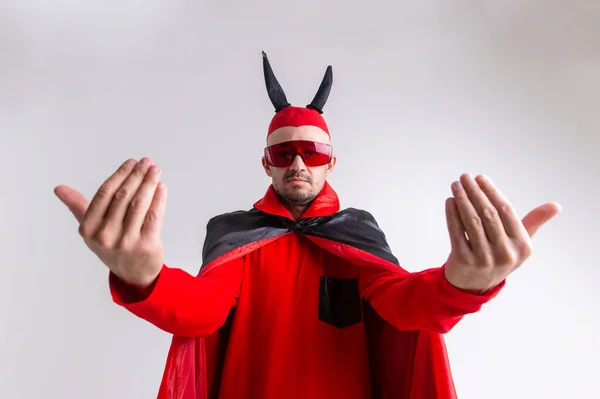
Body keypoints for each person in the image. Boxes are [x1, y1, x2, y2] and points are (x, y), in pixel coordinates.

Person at [54, 52, 561, 399]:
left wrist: (465, 286)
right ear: (266, 163)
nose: (298, 163)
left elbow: (408, 306)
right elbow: (201, 313)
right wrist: (146, 279)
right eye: (284, 152)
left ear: (329, 163)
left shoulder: (358, 232)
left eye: (312, 151)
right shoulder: (233, 232)